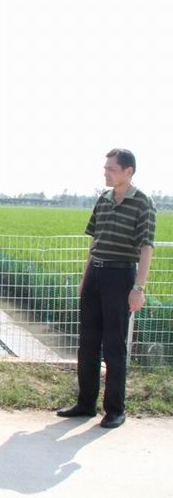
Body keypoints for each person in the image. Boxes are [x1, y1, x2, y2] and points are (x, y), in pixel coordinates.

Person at [57, 148, 156, 429]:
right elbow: (95, 241)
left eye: (112, 169)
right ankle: (85, 403)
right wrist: (85, 277)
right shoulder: (103, 199)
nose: (106, 173)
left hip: (120, 275)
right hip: (95, 275)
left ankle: (114, 410)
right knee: (87, 343)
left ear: (128, 171)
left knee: (114, 345)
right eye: (105, 168)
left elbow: (146, 247)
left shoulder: (143, 203)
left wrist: (138, 287)